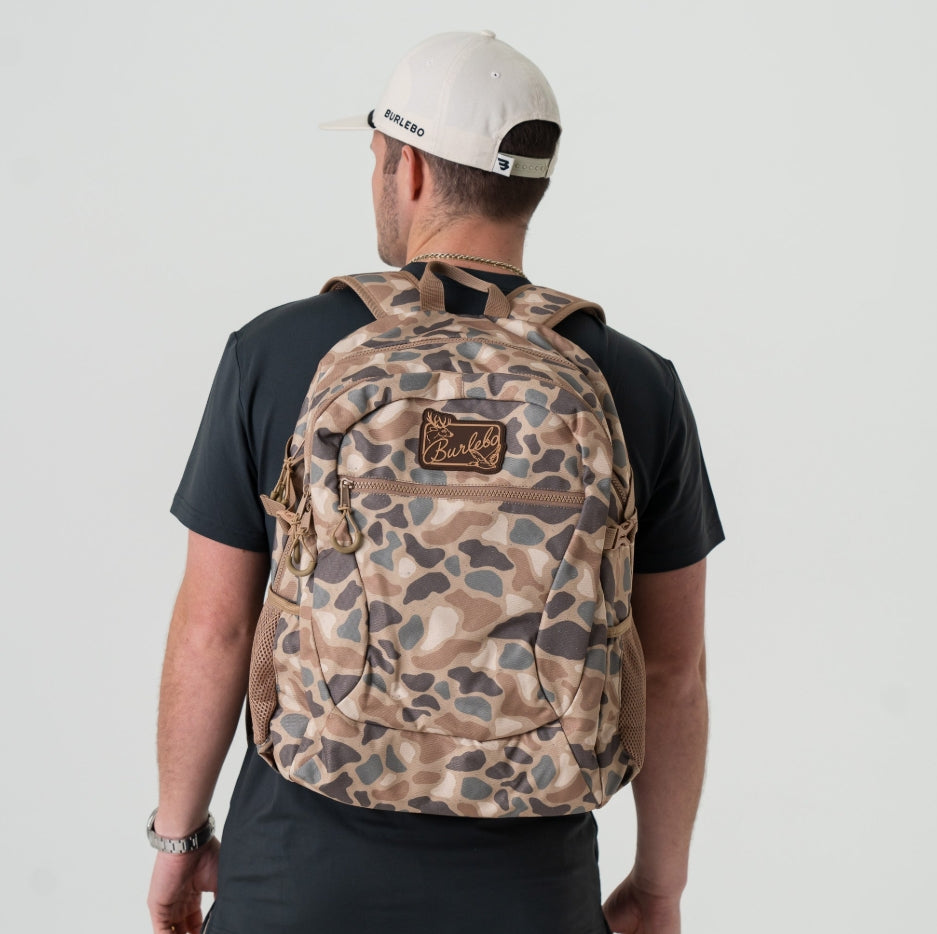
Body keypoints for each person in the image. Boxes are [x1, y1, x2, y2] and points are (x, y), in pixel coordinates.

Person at [147, 30, 723, 934]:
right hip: (532, 891)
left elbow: (213, 632)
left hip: (295, 880)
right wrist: (660, 884)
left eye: (377, 156)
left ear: (406, 168)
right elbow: (673, 669)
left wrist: (178, 841)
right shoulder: (636, 383)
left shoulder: (276, 352)